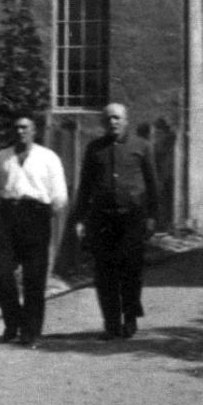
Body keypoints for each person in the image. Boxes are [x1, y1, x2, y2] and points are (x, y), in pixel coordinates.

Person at [75, 103, 158, 340]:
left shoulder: (142, 147)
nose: (113, 122)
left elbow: (153, 185)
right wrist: (80, 218)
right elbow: (85, 187)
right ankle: (111, 323)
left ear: (126, 121)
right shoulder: (94, 149)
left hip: (132, 218)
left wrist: (152, 216)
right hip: (102, 220)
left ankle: (130, 318)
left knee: (131, 271)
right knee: (105, 272)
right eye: (108, 119)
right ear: (103, 122)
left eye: (117, 118)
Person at [0, 114, 68, 348]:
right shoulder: (3, 156)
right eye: (17, 127)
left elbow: (59, 195)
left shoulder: (48, 157)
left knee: (34, 278)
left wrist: (43, 216)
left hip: (36, 217)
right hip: (8, 216)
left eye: (25, 128)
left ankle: (31, 332)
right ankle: (14, 320)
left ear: (34, 131)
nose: (20, 131)